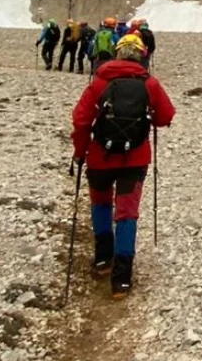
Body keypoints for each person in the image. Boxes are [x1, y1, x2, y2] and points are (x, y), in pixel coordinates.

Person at [71, 33, 175, 299]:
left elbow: (81, 121)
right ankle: (122, 279)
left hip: (99, 157)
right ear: (141, 55)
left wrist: (79, 153)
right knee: (127, 212)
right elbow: (166, 116)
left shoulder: (99, 82)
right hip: (135, 158)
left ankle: (103, 259)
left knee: (101, 204)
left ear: (117, 53)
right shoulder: (149, 84)